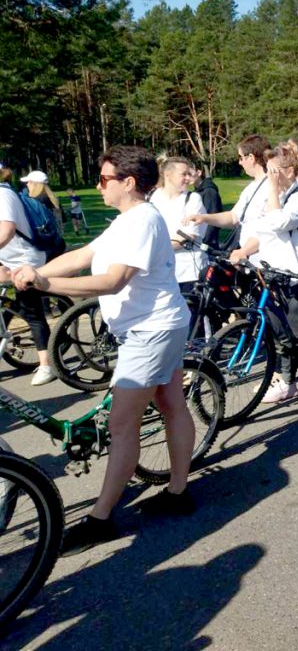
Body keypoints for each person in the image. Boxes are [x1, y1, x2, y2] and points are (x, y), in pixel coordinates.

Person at [14, 145, 194, 554]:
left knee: (121, 424)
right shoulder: (127, 220)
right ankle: (178, 491)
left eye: (104, 179)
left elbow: (113, 281)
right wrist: (30, 273)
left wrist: (45, 285)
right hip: (157, 326)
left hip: (151, 332)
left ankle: (101, 518)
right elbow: (82, 255)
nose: (99, 185)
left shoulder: (143, 222)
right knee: (171, 403)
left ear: (128, 183)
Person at [232, 145, 298, 418]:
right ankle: (288, 382)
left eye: (274, 171)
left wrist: (272, 188)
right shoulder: (277, 196)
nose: (269, 176)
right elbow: (261, 232)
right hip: (275, 275)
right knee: (279, 334)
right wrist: (242, 252)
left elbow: (277, 222)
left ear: (288, 171)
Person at [0, 166, 57, 385]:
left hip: (25, 258)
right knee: (12, 305)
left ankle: (46, 365)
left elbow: (6, 230)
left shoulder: (3, 194)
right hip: (7, 258)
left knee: (31, 310)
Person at [190, 134, 271, 264]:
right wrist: (204, 218)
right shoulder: (251, 187)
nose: (239, 162)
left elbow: (270, 229)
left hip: (265, 260)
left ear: (251, 158)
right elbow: (234, 217)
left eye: (241, 157)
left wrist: (244, 251)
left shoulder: (272, 187)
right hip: (249, 261)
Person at [149, 157, 208, 299]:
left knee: (193, 318)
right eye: (184, 174)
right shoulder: (153, 198)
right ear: (167, 175)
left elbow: (189, 236)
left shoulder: (193, 199)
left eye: (189, 174)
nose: (188, 178)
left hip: (188, 272)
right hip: (161, 273)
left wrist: (156, 251)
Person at [189, 165, 223, 249]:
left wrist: (205, 243)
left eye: (190, 173)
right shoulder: (197, 191)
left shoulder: (209, 191)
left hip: (207, 243)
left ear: (199, 172)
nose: (187, 177)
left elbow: (212, 218)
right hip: (198, 239)